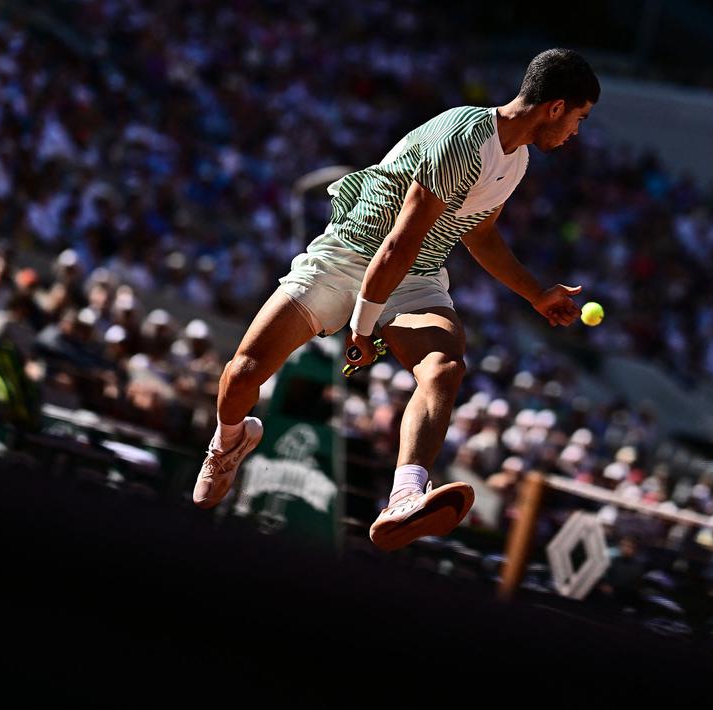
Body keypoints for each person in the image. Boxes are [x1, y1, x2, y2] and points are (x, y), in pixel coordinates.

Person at [193, 49, 599, 552]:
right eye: (579, 118)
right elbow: (396, 243)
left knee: (445, 367)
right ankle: (229, 439)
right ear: (555, 107)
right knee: (243, 373)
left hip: (415, 277)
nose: (576, 133)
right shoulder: (464, 138)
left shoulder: (515, 162)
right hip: (348, 255)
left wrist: (536, 293)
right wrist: (362, 330)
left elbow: (481, 235)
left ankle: (405, 496)